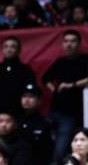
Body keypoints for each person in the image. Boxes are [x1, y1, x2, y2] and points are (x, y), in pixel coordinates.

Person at [42, 30, 88, 160]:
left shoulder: (85, 60)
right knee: (46, 144)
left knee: (60, 150)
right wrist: (54, 89)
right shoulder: (60, 62)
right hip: (54, 110)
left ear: (78, 43)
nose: (69, 44)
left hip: (73, 113)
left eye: (72, 41)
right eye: (66, 41)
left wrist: (72, 85)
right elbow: (45, 79)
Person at [0, 36, 36, 115]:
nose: (9, 49)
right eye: (6, 47)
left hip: (20, 112)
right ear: (2, 50)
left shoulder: (25, 69)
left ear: (19, 50)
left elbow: (29, 90)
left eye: (13, 47)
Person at [18, 83, 53, 165]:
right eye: (24, 96)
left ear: (39, 101)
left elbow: (47, 152)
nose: (26, 100)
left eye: (31, 97)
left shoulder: (45, 123)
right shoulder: (15, 121)